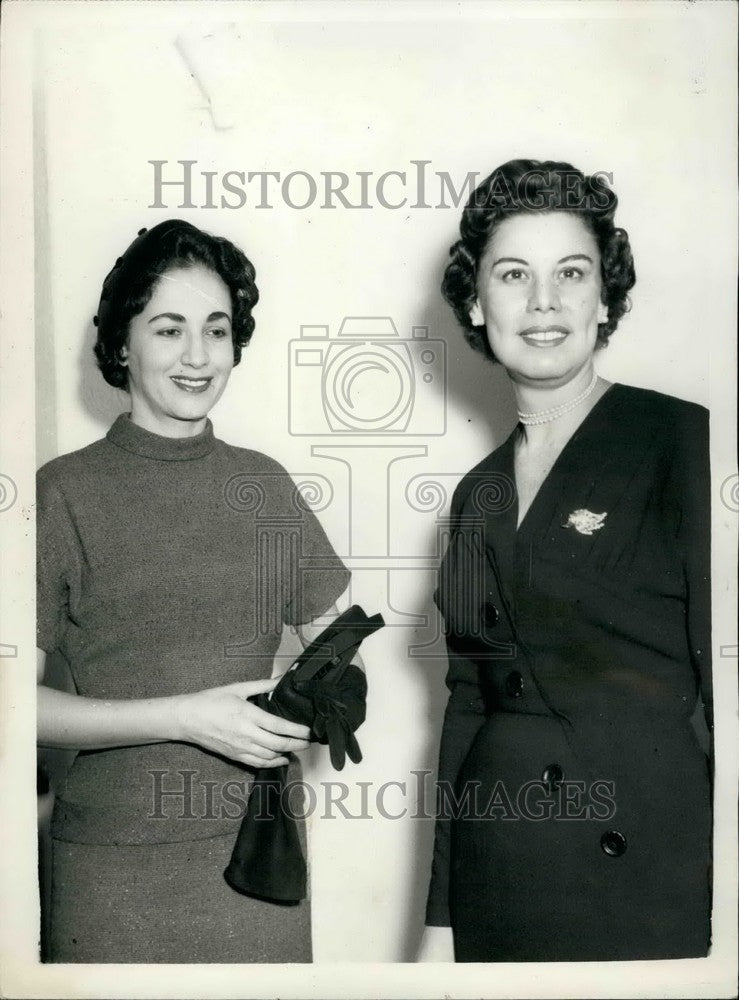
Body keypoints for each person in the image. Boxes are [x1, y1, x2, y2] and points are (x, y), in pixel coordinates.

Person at [419, 160, 712, 962]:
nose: (542, 302)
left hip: (651, 876)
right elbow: (467, 708)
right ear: (477, 304)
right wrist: (440, 919)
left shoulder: (685, 444)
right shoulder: (475, 496)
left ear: (605, 297)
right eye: (513, 275)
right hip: (498, 876)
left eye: (571, 273)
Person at [36, 220, 352, 963]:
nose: (197, 355)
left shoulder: (265, 486)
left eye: (216, 329)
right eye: (169, 328)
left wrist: (314, 700)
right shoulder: (61, 494)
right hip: (114, 876)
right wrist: (186, 717)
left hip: (259, 868)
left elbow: (342, 653)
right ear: (122, 343)